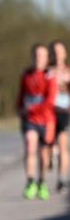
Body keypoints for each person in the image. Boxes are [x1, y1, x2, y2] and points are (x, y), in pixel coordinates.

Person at [17, 43, 56, 200]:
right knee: (30, 145)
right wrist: (20, 108)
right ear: (32, 57)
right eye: (36, 55)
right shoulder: (26, 74)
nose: (38, 58)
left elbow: (50, 100)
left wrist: (32, 108)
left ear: (47, 59)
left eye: (42, 56)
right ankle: (30, 182)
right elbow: (21, 95)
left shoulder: (49, 76)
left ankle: (42, 181)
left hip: (46, 120)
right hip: (29, 120)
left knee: (43, 154)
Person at [48, 39, 69, 192]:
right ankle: (51, 155)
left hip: (64, 111)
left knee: (63, 146)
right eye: (54, 51)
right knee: (48, 143)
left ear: (65, 53)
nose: (57, 54)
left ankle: (61, 179)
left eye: (60, 51)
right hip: (48, 111)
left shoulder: (68, 72)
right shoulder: (47, 71)